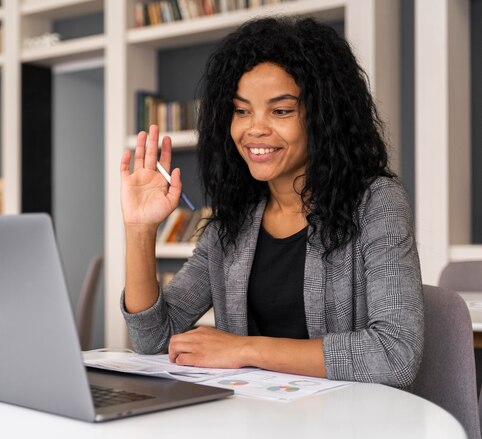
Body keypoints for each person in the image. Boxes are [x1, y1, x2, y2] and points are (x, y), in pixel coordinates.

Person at [119, 16, 423, 388]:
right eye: (241, 110)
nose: (255, 128)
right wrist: (139, 230)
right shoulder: (234, 221)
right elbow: (152, 338)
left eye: (281, 111)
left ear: (323, 117)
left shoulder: (376, 203)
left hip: (348, 419)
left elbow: (395, 355)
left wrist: (247, 350)